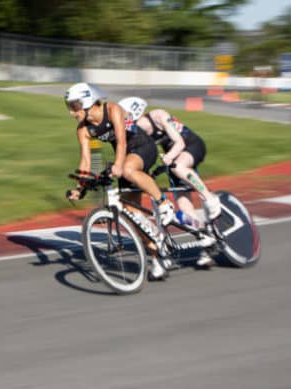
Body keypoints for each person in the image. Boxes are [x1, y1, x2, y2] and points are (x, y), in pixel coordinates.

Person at [63, 83, 172, 279]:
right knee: (133, 215)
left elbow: (121, 140)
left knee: (128, 170)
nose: (72, 113)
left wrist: (120, 165)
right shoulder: (83, 130)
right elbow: (86, 160)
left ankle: (163, 202)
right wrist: (80, 187)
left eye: (74, 106)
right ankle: (158, 258)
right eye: (69, 107)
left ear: (87, 102)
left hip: (141, 146)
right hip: (124, 159)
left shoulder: (113, 109)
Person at [118, 97, 221, 267]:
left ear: (133, 115)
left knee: (178, 167)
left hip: (191, 145)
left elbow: (179, 142)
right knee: (185, 212)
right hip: (173, 160)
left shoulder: (158, 115)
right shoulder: (140, 134)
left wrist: (168, 158)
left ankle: (210, 198)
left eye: (125, 118)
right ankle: (206, 241)